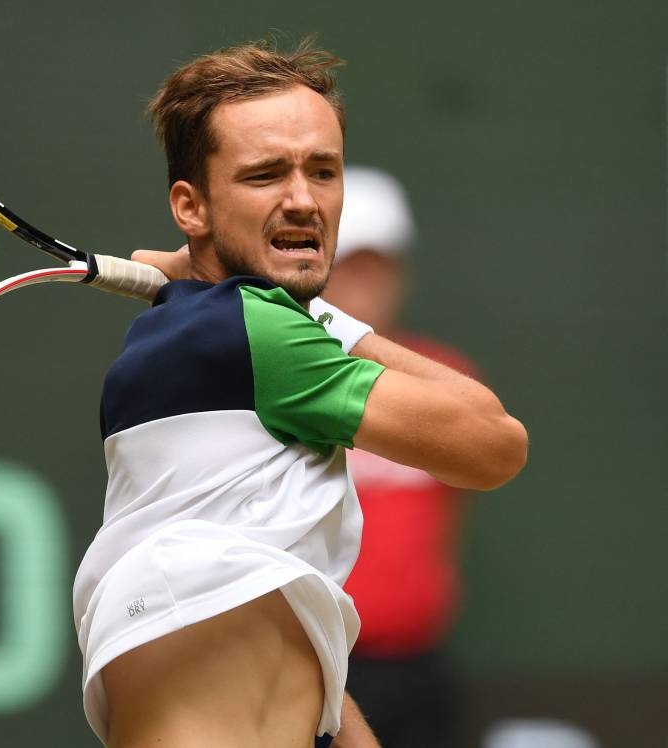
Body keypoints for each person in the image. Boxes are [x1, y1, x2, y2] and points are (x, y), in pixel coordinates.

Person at [72, 39, 528, 748]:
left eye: (323, 170)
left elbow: (272, 629)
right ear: (190, 208)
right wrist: (325, 319)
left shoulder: (188, 352)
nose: (303, 200)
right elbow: (495, 443)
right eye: (264, 175)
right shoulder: (256, 335)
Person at [315, 166, 479, 748]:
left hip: (417, 666)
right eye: (349, 262)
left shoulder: (445, 380)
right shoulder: (277, 381)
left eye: (378, 264)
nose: (365, 282)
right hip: (310, 665)